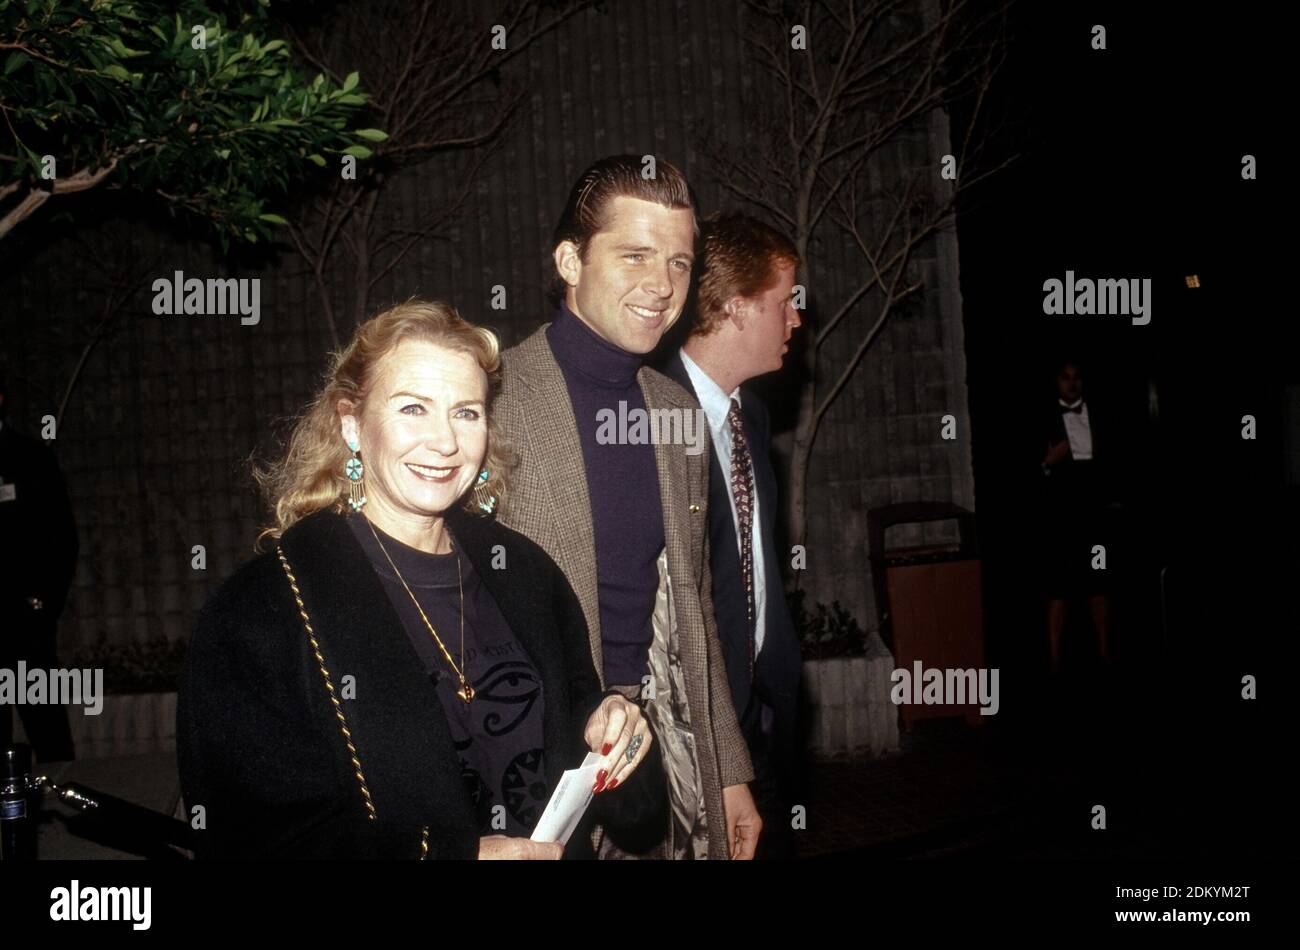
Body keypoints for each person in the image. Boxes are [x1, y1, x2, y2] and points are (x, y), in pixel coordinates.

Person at [177, 301, 663, 859]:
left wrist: (616, 729)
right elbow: (249, 836)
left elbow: (578, 727)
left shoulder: (524, 572)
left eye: (466, 412)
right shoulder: (262, 614)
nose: (445, 441)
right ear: (351, 425)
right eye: (413, 408)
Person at [494, 155, 760, 859]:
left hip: (651, 747)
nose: (662, 285)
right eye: (635, 254)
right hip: (528, 756)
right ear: (569, 260)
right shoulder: (489, 400)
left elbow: (694, 609)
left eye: (679, 261)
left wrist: (730, 772)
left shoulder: (674, 412)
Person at [660, 212, 804, 858]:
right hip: (699, 744)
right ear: (739, 307)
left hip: (764, 726)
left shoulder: (753, 415)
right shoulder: (652, 417)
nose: (796, 321)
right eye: (785, 304)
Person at [0, 369, 78, 762]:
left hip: (26, 619)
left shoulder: (29, 459)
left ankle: (60, 807)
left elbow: (60, 538)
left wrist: (42, 603)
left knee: (45, 723)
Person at [1039, 356, 1117, 672]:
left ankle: (1105, 652)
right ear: (1056, 382)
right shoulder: (1045, 417)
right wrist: (1047, 464)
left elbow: (1112, 461)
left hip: (1094, 517)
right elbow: (1033, 472)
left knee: (1099, 584)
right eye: (1065, 377)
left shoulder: (1100, 415)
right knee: (1059, 586)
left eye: (1077, 377)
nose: (1072, 383)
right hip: (1061, 518)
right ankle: (1054, 657)